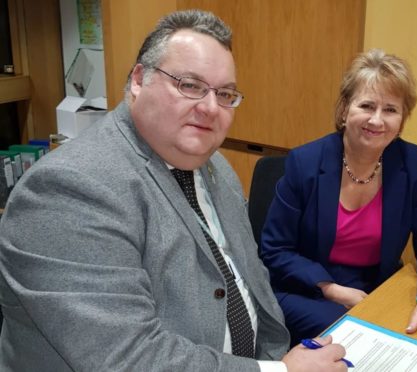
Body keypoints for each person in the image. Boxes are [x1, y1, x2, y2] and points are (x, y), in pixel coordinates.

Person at [0, 10, 348, 372]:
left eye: (225, 93)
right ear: (138, 80)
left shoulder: (216, 168)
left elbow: (250, 284)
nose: (211, 108)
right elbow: (127, 358)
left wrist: (285, 359)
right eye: (191, 85)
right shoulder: (68, 190)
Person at [261, 49, 417, 354]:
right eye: (367, 105)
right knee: (363, 342)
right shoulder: (304, 162)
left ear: (403, 119)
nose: (376, 120)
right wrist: (333, 290)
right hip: (306, 290)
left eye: (390, 110)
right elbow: (275, 251)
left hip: (376, 288)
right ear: (344, 110)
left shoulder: (415, 165)